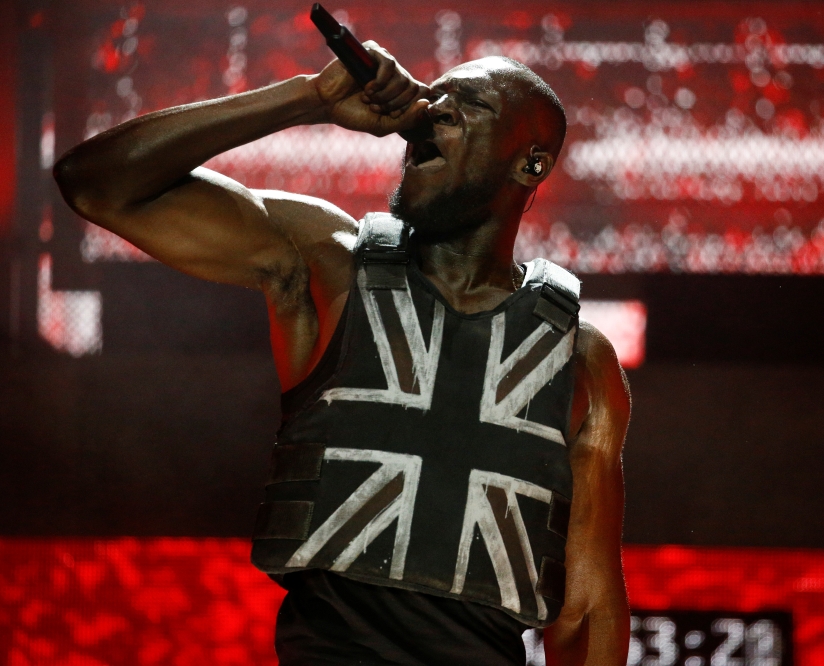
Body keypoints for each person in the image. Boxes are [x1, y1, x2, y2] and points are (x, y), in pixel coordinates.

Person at [54, 41, 631, 666]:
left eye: (469, 106)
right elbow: (95, 186)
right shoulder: (327, 262)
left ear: (531, 163)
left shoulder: (580, 359)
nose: (431, 109)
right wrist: (308, 97)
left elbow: (588, 612)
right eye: (433, 94)